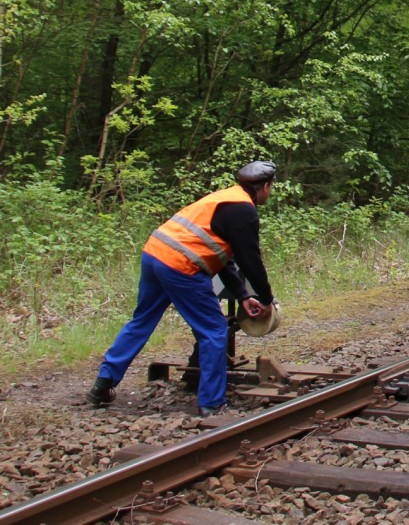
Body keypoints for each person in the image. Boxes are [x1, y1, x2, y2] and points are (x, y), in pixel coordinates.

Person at [86, 161, 279, 416]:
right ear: (265, 186)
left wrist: (243, 295)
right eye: (271, 188)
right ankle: (212, 403)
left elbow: (222, 257)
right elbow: (250, 261)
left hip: (154, 254)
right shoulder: (244, 210)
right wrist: (266, 298)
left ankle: (103, 383)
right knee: (214, 330)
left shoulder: (222, 198)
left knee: (141, 321)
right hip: (181, 266)